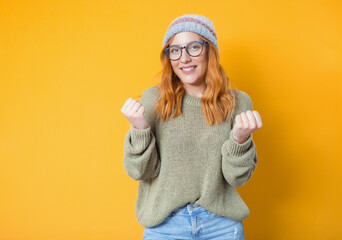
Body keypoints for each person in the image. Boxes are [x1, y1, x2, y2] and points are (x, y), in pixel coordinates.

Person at [121, 14, 262, 240]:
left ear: (210, 51)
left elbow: (237, 178)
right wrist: (140, 129)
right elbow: (139, 171)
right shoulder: (153, 100)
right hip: (165, 227)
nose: (184, 58)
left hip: (221, 227)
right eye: (175, 50)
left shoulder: (238, 102)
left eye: (194, 47)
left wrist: (239, 140)